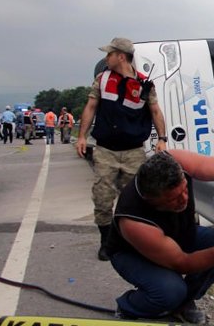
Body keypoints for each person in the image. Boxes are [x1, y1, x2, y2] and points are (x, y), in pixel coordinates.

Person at [106, 150, 214, 323]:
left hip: (177, 234)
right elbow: (183, 263)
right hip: (131, 253)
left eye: (184, 189)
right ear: (151, 200)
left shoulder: (177, 161)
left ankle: (183, 304)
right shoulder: (133, 221)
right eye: (173, 199)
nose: (184, 199)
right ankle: (129, 305)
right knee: (170, 290)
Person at [76, 37, 167, 261]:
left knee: (134, 199)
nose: (106, 58)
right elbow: (90, 107)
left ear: (121, 56)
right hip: (106, 149)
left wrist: (162, 138)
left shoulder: (145, 84)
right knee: (102, 196)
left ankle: (131, 240)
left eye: (109, 54)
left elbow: (155, 111)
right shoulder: (102, 79)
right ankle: (106, 242)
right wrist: (81, 136)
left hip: (134, 151)